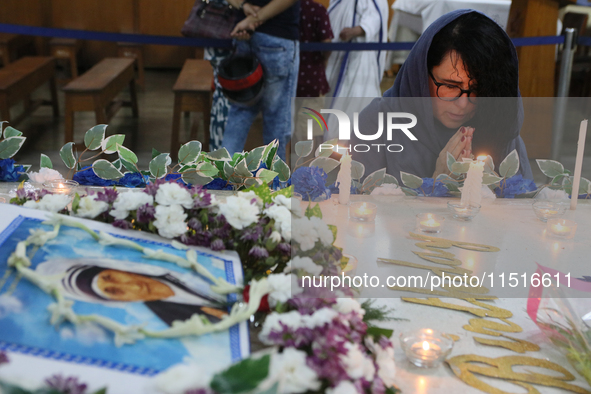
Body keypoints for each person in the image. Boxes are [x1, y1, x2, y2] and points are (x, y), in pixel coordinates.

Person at [351, 10, 534, 181]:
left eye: (477, 89)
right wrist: (436, 185)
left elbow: (524, 206)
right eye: (449, 85)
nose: (463, 103)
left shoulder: (500, 127)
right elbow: (352, 209)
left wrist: (493, 194)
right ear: (421, 75)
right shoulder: (377, 125)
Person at [37, 258, 228, 326]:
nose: (133, 288)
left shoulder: (181, 266)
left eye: (110, 278)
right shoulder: (175, 319)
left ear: (118, 269)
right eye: (114, 292)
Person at [220, 0, 300, 160]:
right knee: (276, 118)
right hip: (277, 35)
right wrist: (255, 18)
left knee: (240, 110)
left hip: (244, 34)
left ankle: (221, 177)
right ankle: (274, 182)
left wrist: (244, 6)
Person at [291, 0, 334, 154]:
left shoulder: (282, 11)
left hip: (287, 81)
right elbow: (326, 44)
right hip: (313, 80)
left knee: (288, 129)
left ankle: (286, 167)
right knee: (310, 131)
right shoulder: (318, 10)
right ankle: (307, 170)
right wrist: (323, 61)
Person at [324, 0, 389, 99]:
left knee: (358, 92)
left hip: (360, 53)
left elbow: (375, 17)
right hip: (338, 51)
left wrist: (356, 31)